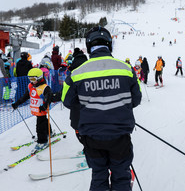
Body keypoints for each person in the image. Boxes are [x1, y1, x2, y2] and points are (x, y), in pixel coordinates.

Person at [61, 26, 142, 191]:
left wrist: (88, 106)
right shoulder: (127, 69)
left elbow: (67, 101)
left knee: (99, 175)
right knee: (121, 175)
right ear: (109, 44)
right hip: (120, 135)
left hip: (92, 136)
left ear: (89, 46)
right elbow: (137, 98)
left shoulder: (76, 73)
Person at [12, 68, 61, 153]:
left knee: (40, 126)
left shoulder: (45, 88)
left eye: (33, 79)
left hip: (41, 109)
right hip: (36, 110)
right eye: (30, 79)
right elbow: (25, 96)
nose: (32, 81)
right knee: (44, 121)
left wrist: (45, 106)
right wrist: (17, 103)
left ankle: (42, 141)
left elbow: (48, 99)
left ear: (39, 78)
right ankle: (49, 133)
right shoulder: (30, 86)